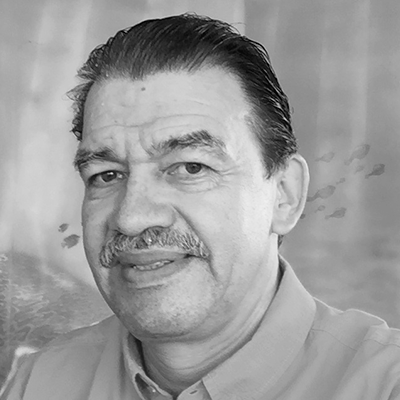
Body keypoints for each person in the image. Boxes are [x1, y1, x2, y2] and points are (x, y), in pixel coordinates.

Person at [1, 13, 400, 400]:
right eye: (107, 175)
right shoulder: (40, 383)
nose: (132, 217)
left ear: (285, 195)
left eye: (191, 167)